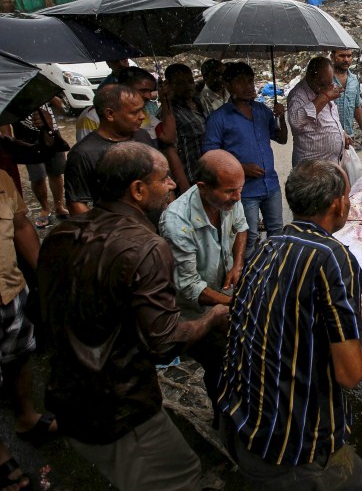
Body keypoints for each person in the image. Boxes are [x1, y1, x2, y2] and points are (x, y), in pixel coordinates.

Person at [38, 142, 229, 491]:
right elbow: (163, 342)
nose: (173, 184)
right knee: (180, 475)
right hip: (118, 410)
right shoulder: (146, 247)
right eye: (165, 178)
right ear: (138, 190)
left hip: (67, 394)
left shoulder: (60, 234)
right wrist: (212, 318)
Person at [218, 159, 362, 491]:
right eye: (348, 196)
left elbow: (289, 317)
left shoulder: (268, 246)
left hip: (241, 423)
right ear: (337, 204)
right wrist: (357, 321)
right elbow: (350, 374)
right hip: (289, 450)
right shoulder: (333, 257)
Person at [159, 149, 248, 429]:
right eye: (230, 191)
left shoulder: (231, 199)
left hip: (225, 296)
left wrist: (237, 265)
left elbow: (242, 229)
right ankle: (222, 420)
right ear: (202, 187)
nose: (237, 197)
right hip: (195, 312)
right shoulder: (176, 222)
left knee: (240, 356)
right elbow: (189, 288)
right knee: (220, 364)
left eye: (240, 190)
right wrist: (237, 305)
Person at [0, 168, 58, 458]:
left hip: (10, 290)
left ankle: (26, 416)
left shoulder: (2, 179)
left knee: (19, 356)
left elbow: (21, 224)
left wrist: (44, 274)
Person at [203, 62, 288, 256]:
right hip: (244, 191)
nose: (248, 86)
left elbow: (281, 139)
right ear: (228, 85)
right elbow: (210, 157)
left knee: (276, 232)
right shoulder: (219, 118)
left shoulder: (262, 111)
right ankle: (246, 278)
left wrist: (281, 117)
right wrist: (241, 168)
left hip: (270, 185)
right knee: (247, 237)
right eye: (241, 82)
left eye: (250, 81)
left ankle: (272, 272)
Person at [64, 84, 155, 216]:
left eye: (142, 110)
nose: (142, 116)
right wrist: (101, 232)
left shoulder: (143, 135)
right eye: (134, 112)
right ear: (110, 114)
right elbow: (77, 204)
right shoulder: (83, 154)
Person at [11, 104, 69, 227]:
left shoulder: (40, 90)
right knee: (37, 176)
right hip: (27, 138)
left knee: (56, 172)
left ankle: (59, 206)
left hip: (51, 132)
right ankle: (45, 208)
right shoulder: (12, 95)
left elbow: (59, 105)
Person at [287, 56, 350, 167]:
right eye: (322, 85)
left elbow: (330, 117)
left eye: (329, 84)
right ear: (310, 76)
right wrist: (324, 97)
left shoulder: (324, 88)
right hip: (311, 168)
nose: (326, 88)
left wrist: (341, 134)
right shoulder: (297, 95)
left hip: (331, 164)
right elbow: (296, 122)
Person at [157, 63, 207, 193]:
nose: (188, 86)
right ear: (169, 85)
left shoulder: (199, 103)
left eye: (190, 81)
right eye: (180, 83)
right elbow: (169, 150)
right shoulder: (168, 114)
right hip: (189, 180)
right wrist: (184, 187)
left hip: (207, 175)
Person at [76, 67, 161, 142]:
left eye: (150, 91)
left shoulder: (143, 113)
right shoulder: (90, 117)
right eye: (143, 91)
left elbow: (166, 137)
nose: (149, 96)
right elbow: (89, 153)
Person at [332, 49, 362, 148]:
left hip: (349, 136)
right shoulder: (327, 80)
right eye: (342, 56)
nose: (346, 59)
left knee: (349, 163)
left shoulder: (354, 80)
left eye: (349, 56)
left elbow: (356, 107)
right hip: (330, 136)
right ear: (333, 57)